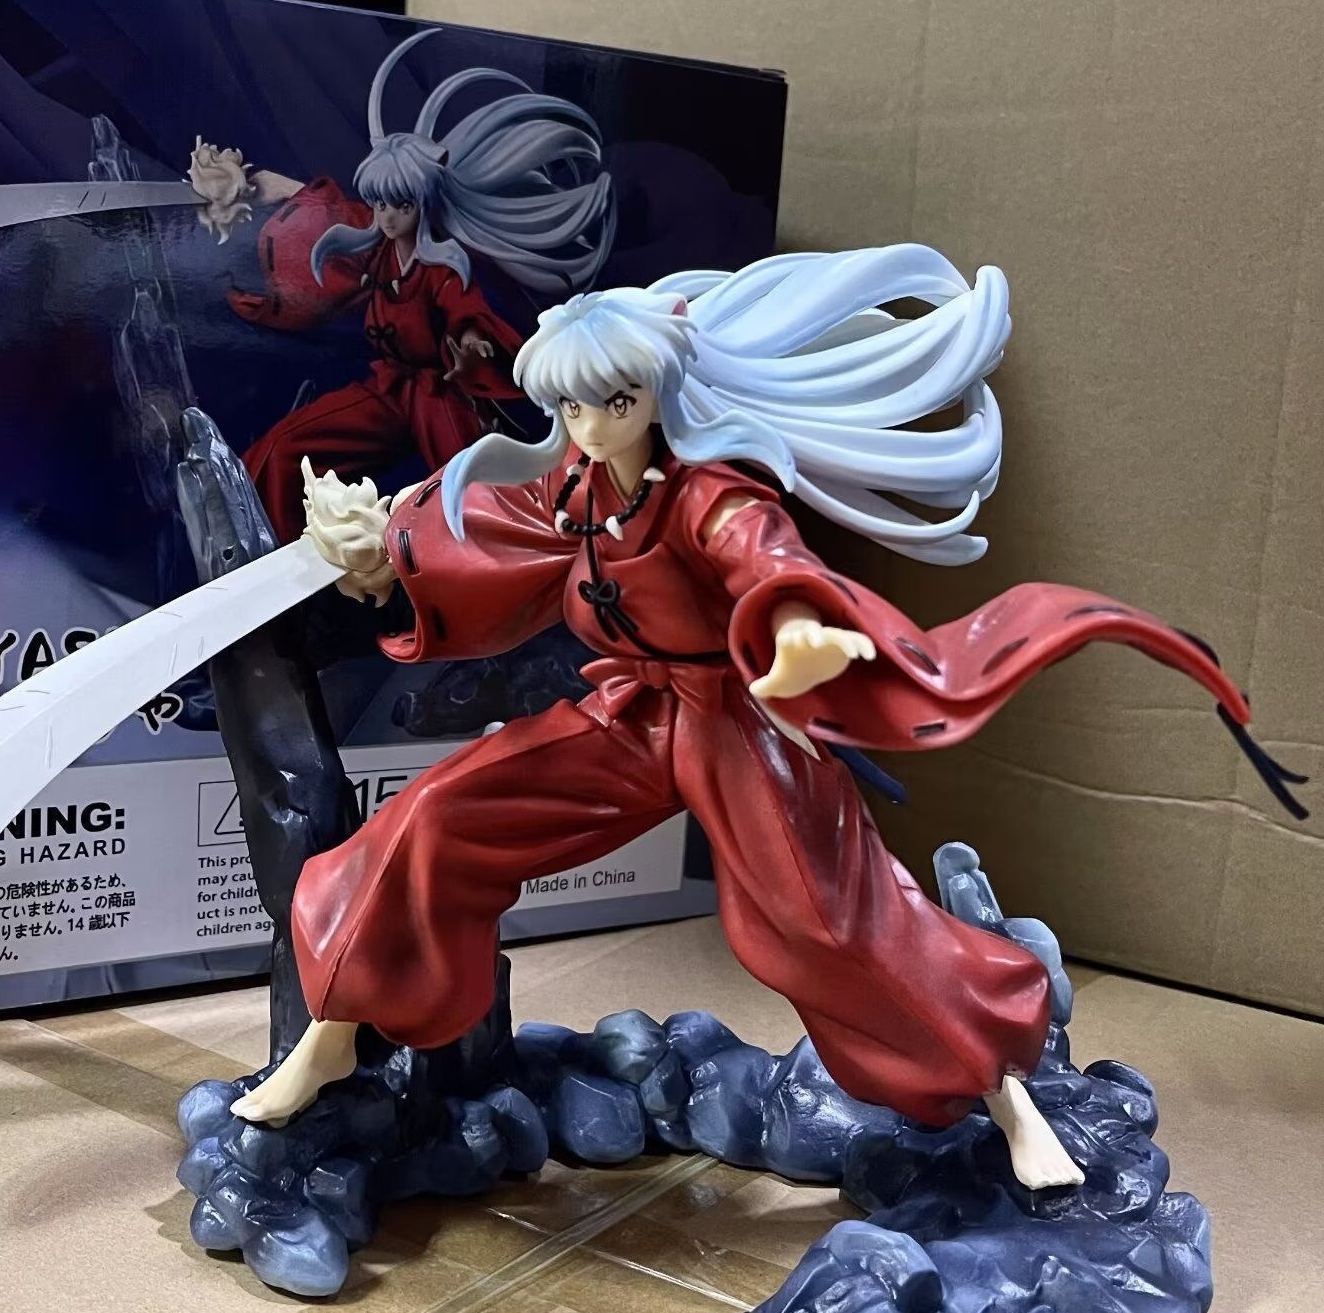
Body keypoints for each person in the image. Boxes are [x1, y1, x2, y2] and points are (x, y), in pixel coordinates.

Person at [227, 245, 1306, 1191]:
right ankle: (332, 1035)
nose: (587, 427)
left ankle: (1007, 1095)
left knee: (831, 924)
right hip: (634, 713)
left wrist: (797, 639)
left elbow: (769, 566)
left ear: (657, 393)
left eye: (611, 403)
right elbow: (483, 539)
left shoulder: (714, 495)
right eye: (571, 408)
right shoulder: (577, 491)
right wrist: (383, 555)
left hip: (741, 726)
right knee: (437, 814)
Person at [189, 28, 615, 539]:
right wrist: (242, 183)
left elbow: (469, 315)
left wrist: (472, 345)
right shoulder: (375, 244)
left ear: (425, 203)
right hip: (389, 390)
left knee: (470, 504)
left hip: (442, 399)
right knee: (287, 450)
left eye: (400, 205)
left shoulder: (443, 268)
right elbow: (315, 206)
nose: (386, 216)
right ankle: (253, 539)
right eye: (379, 203)